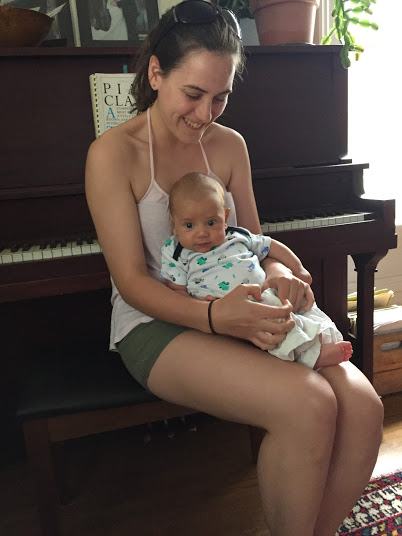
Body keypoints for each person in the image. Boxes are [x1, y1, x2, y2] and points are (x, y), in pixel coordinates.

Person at [85, 2, 383, 535]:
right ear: (155, 73)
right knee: (309, 405)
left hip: (243, 304)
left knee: (363, 408)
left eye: (220, 97)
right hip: (156, 321)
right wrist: (216, 317)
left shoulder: (230, 146)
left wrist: (279, 275)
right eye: (193, 94)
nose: (206, 114)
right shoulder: (112, 153)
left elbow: (254, 244)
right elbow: (131, 283)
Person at [161, 172, 353, 370]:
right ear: (174, 223)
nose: (202, 233)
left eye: (211, 223)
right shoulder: (175, 252)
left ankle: (323, 334)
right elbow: (177, 291)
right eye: (189, 225)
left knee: (300, 306)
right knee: (275, 326)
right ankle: (310, 356)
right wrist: (204, 309)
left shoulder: (237, 235)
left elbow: (271, 246)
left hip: (264, 292)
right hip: (229, 310)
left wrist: (298, 269)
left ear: (225, 218)